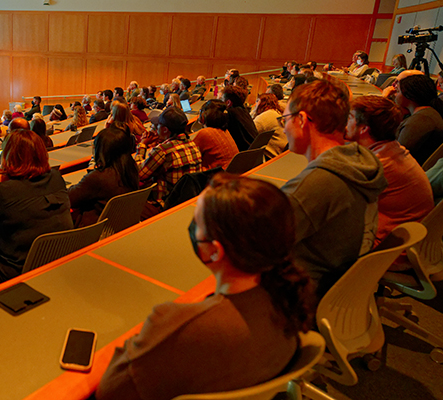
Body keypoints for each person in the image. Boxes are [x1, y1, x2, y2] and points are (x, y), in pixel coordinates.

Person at [96, 174, 315, 400]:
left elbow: (109, 392)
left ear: (215, 250)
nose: (192, 229)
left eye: (197, 223)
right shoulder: (288, 297)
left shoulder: (176, 327)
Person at [280, 78, 386, 297]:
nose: (283, 131)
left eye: (285, 120)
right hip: (339, 289)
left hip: (299, 297)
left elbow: (254, 243)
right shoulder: (361, 160)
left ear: (301, 120)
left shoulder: (318, 184)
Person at [0, 130, 72, 288]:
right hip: (56, 265)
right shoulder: (56, 178)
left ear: (8, 156)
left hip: (18, 274)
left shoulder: (2, 192)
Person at [345, 95, 434, 245]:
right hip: (403, 239)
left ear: (364, 128)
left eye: (349, 117)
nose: (343, 123)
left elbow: (327, 202)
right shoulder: (392, 150)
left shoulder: (376, 165)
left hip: (388, 249)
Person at [69, 127, 139, 227]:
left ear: (100, 150)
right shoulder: (131, 168)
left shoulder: (98, 178)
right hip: (120, 225)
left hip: (95, 231)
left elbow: (70, 198)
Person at [137, 108, 202, 213]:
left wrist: (142, 145)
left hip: (164, 205)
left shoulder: (163, 150)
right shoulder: (193, 145)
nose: (156, 128)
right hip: (186, 202)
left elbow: (139, 174)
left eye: (158, 126)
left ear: (165, 130)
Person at [395, 74, 443, 165]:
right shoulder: (426, 113)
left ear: (409, 95)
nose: (395, 95)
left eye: (397, 91)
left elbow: (396, 154)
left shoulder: (420, 121)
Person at [193, 100, 239, 171]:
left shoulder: (205, 133)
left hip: (217, 176)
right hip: (231, 174)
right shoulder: (225, 131)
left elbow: (190, 155)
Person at [251, 93, 287, 159]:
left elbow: (249, 131)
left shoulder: (266, 116)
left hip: (272, 158)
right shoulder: (276, 112)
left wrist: (253, 111)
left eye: (257, 101)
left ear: (261, 103)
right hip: (282, 155)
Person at [221, 85, 258, 151]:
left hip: (241, 154)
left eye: (221, 99)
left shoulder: (229, 114)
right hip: (251, 154)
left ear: (228, 103)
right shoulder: (244, 111)